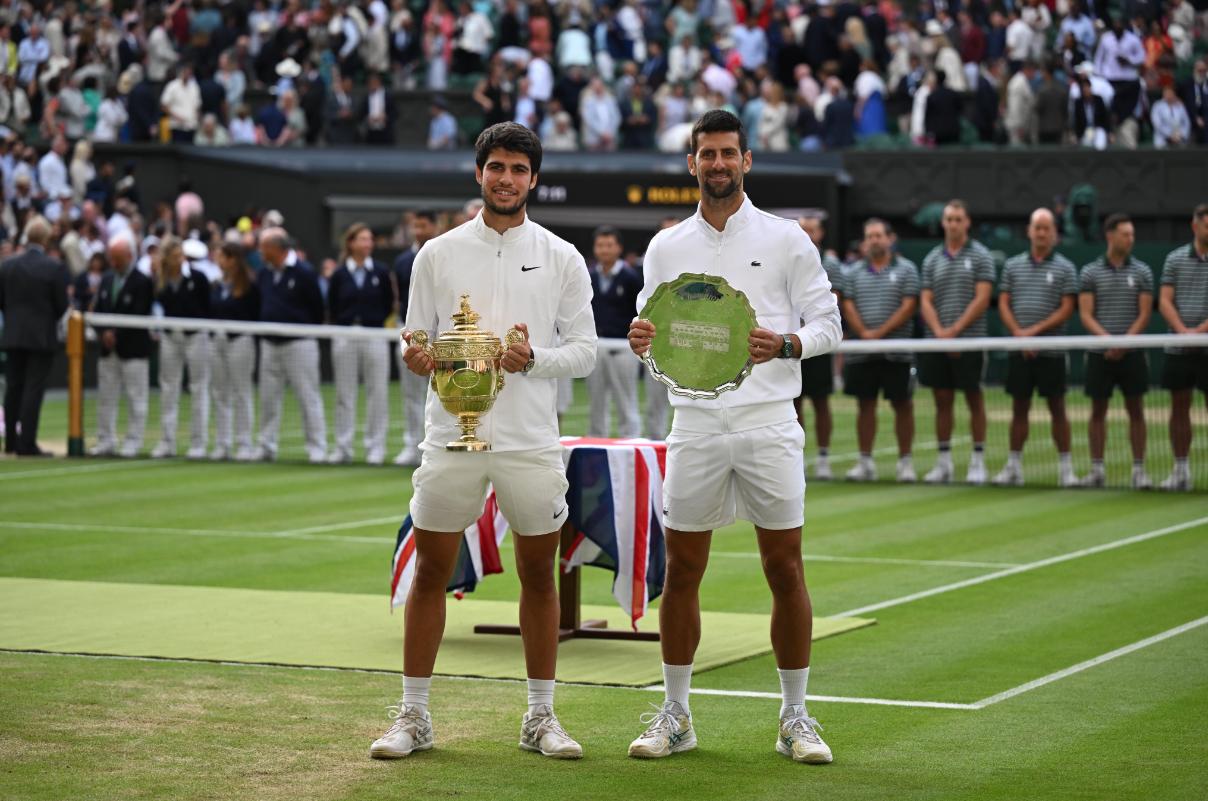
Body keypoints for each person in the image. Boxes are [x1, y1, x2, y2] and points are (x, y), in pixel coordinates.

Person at [372, 122, 596, 761]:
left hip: (529, 439)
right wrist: (418, 359)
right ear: (479, 174)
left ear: (534, 179)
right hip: (451, 435)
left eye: (519, 169)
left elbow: (584, 352)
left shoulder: (562, 256)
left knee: (537, 573)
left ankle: (541, 716)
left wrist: (532, 359)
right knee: (432, 570)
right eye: (497, 167)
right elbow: (415, 338)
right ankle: (413, 716)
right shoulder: (437, 254)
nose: (507, 179)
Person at [626, 110, 841, 764]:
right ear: (692, 163)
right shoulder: (665, 245)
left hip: (769, 423)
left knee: (785, 567)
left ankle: (795, 717)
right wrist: (641, 340)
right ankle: (677, 714)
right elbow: (655, 332)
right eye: (706, 154)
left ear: (746, 160)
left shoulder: (788, 238)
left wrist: (789, 342)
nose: (717, 164)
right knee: (683, 569)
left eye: (727, 153)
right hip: (693, 424)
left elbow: (828, 322)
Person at [994, 208, 1079, 488]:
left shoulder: (1066, 267)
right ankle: (1014, 466)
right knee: (1019, 408)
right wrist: (1019, 334)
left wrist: (1034, 333)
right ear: (1029, 232)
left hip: (1051, 351)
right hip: (1020, 351)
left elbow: (1067, 308)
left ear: (1054, 233)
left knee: (1057, 408)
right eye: (1037, 228)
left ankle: (1066, 469)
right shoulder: (1013, 266)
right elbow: (1004, 302)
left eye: (1046, 228)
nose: (1041, 233)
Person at [918, 200, 996, 485]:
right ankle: (944, 463)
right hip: (937, 342)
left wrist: (955, 332)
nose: (953, 224)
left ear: (967, 223)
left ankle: (977, 461)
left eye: (958, 219)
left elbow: (982, 298)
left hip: (971, 342)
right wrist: (941, 333)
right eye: (949, 219)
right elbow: (925, 300)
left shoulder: (982, 256)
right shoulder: (931, 259)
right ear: (943, 223)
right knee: (942, 401)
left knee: (974, 398)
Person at [840, 218, 920, 483]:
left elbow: (909, 306)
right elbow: (848, 305)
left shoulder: (907, 270)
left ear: (889, 238)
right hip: (863, 353)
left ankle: (906, 463)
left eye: (878, 235)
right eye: (869, 236)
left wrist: (880, 334)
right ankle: (865, 462)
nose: (874, 240)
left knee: (903, 405)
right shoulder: (852, 272)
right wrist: (865, 334)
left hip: (897, 351)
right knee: (865, 406)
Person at [1077, 213, 1154, 489]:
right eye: (1125, 234)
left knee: (1137, 410)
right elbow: (1086, 314)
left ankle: (1139, 471)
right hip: (1100, 354)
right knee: (1098, 410)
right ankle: (1097, 470)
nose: (1130, 239)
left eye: (1132, 234)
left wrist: (1124, 343)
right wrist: (1108, 341)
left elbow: (1144, 314)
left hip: (1132, 354)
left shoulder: (1143, 271)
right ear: (1110, 236)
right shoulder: (1089, 272)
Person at [255, 227, 328, 463]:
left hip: (299, 344)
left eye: (264, 247)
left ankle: (317, 448)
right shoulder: (264, 274)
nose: (260, 251)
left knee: (308, 397)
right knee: (268, 398)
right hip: (269, 344)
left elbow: (317, 308)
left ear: (277, 248)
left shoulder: (304, 273)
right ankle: (266, 446)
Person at [0, 217, 68, 456]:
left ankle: (10, 442)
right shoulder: (54, 268)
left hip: (13, 336)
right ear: (47, 239)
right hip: (40, 338)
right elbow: (62, 306)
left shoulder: (7, 266)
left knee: (14, 388)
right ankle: (27, 444)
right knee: (32, 389)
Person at [327, 222, 394, 464]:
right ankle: (343, 448)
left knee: (378, 392)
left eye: (370, 239)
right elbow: (333, 305)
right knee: (344, 394)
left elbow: (388, 304)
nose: (367, 244)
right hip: (345, 336)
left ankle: (375, 449)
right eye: (362, 239)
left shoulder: (380, 272)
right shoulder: (339, 274)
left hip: (375, 335)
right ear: (351, 243)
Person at [1157, 203, 1208, 492]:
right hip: (1179, 348)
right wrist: (1182, 332)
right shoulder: (1174, 260)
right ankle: (1181, 470)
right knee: (1179, 409)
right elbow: (1165, 300)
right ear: (1195, 226)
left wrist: (1199, 333)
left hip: (1206, 346)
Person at [90, 234, 154, 457]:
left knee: (136, 398)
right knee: (106, 398)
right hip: (109, 351)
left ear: (129, 256)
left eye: (118, 258)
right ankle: (105, 440)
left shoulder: (143, 281)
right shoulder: (107, 279)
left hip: (133, 350)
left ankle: (133, 442)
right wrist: (104, 333)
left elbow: (139, 313)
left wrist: (116, 333)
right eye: (112, 259)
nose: (114, 263)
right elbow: (98, 310)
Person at [150, 236, 212, 459]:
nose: (179, 260)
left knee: (198, 388)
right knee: (168, 389)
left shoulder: (199, 278)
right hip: (170, 337)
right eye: (174, 256)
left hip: (196, 337)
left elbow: (207, 308)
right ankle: (167, 442)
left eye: (180, 255)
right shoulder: (160, 281)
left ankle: (199, 443)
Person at [795, 214, 844, 479]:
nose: (808, 234)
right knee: (795, 402)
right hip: (793, 342)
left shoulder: (831, 263)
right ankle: (798, 457)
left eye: (812, 230)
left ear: (821, 233)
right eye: (803, 230)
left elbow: (835, 302)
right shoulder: (790, 258)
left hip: (819, 343)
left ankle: (824, 457)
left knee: (821, 401)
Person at [586, 225, 642, 438]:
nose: (605, 250)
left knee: (626, 401)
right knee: (596, 402)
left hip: (623, 347)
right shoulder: (589, 276)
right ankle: (596, 444)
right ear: (594, 248)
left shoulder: (630, 278)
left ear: (619, 248)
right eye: (600, 245)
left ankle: (631, 442)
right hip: (597, 345)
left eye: (609, 245)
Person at [392, 210, 438, 466]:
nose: (418, 230)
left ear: (433, 226)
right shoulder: (401, 261)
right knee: (411, 393)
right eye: (415, 226)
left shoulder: (444, 253)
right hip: (411, 333)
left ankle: (435, 445)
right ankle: (412, 445)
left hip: (441, 334)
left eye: (423, 225)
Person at [209, 242, 260, 462]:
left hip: (241, 341)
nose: (218, 261)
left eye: (222, 257)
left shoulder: (250, 286)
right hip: (217, 341)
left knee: (241, 393)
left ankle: (244, 444)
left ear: (233, 259)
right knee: (220, 394)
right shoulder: (216, 285)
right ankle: (222, 443)